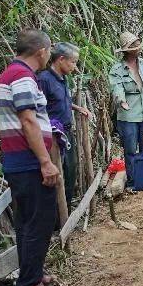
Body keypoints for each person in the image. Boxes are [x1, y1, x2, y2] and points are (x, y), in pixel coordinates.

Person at [0, 28, 60, 286]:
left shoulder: (11, 74)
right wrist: (45, 161)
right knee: (39, 221)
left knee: (26, 221)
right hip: (28, 162)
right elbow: (29, 121)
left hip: (18, 161)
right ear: (41, 51)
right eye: (49, 51)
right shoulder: (22, 77)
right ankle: (29, 284)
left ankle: (31, 273)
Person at [37, 42, 90, 207]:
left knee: (70, 170)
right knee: (57, 173)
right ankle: (55, 217)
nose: (75, 66)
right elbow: (39, 108)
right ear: (60, 59)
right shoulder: (44, 80)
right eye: (73, 62)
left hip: (67, 131)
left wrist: (76, 107)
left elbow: (59, 101)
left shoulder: (63, 79)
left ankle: (65, 210)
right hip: (53, 136)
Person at [108, 32, 143, 187]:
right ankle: (132, 181)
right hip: (128, 115)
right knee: (130, 149)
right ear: (126, 50)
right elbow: (116, 88)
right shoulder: (117, 69)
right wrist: (122, 100)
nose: (137, 49)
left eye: (138, 45)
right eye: (133, 46)